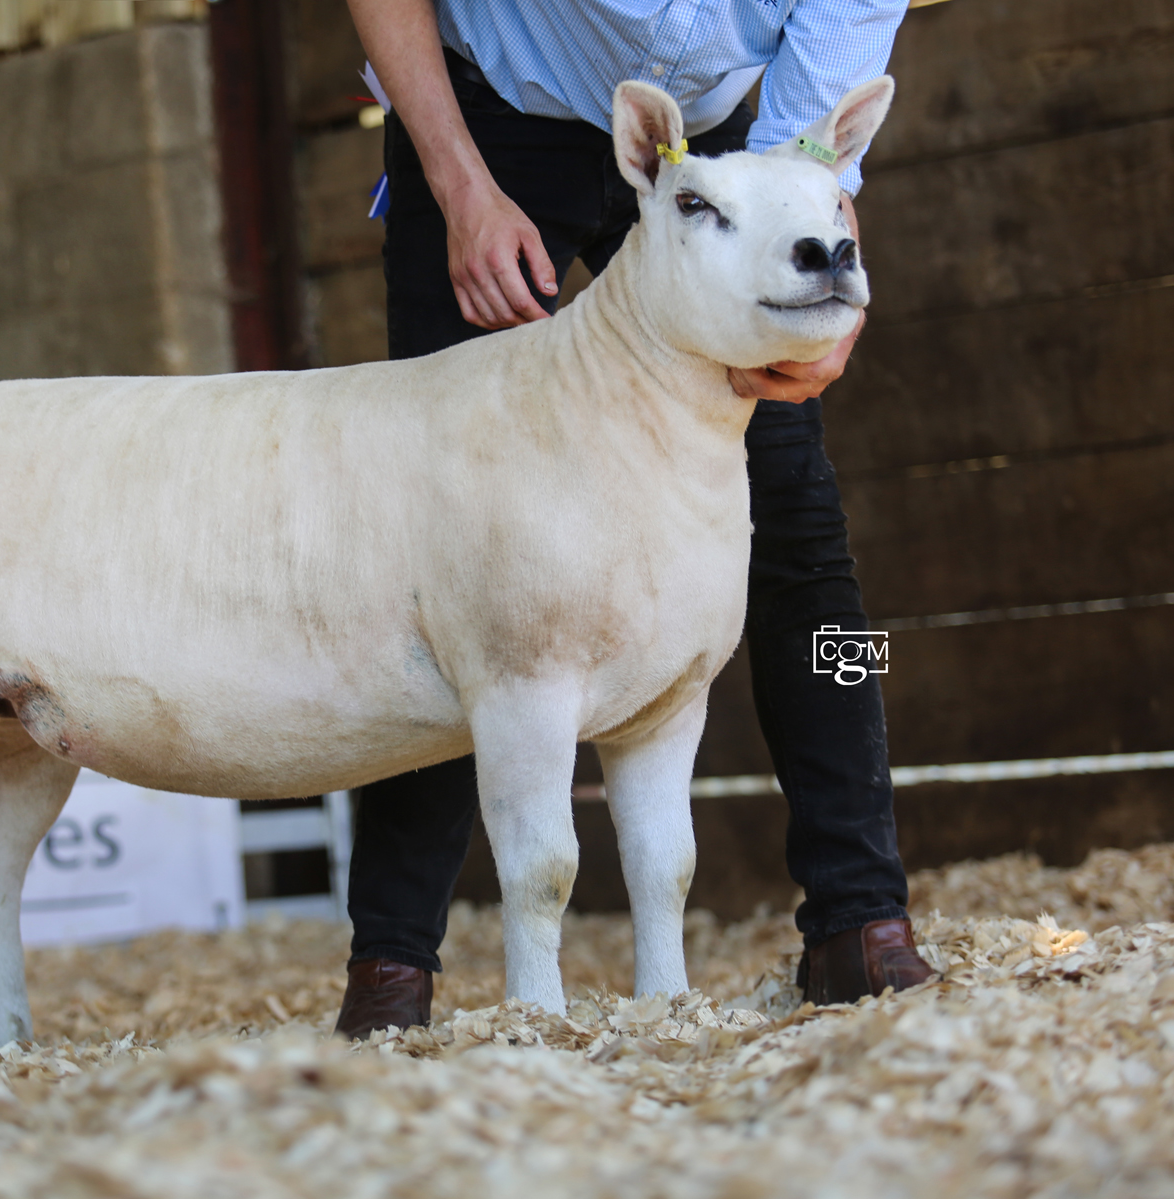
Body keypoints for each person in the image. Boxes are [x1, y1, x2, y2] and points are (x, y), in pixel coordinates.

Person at [334, 0, 936, 1038]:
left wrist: (825, 308)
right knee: (452, 534)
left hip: (713, 168)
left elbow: (814, 161)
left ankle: (862, 914)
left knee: (800, 521)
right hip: (489, 118)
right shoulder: (471, 155)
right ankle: (393, 958)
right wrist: (459, 183)